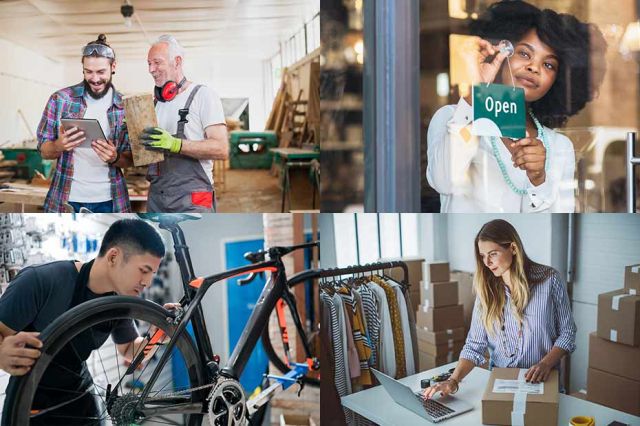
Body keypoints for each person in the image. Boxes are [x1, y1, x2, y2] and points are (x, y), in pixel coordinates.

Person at [426, 1, 607, 213]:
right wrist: (475, 93)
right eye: (524, 53)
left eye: (548, 64)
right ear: (501, 55)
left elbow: (557, 226)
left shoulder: (559, 146)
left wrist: (538, 179)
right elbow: (444, 181)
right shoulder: (453, 118)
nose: (533, 67)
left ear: (558, 80)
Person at [0, 219, 175, 425]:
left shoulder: (118, 302)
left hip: (81, 401)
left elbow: (129, 350)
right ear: (113, 257)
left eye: (152, 274)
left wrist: (157, 336)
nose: (147, 282)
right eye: (144, 270)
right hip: (28, 405)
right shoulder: (41, 281)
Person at [423, 219, 576, 399]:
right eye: (482, 256)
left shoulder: (550, 280)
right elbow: (474, 346)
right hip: (501, 385)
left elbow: (568, 333)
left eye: (493, 254)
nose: (487, 262)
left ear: (512, 248)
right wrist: (453, 381)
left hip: (542, 383)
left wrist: (545, 364)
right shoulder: (486, 291)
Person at [37, 34, 134, 213]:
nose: (95, 79)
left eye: (101, 72)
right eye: (89, 72)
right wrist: (59, 145)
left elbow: (131, 159)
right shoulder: (60, 99)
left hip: (110, 200)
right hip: (66, 198)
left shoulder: (125, 105)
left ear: (113, 67)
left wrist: (114, 157)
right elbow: (44, 151)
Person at [142, 34, 229, 212]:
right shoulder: (156, 104)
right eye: (149, 64)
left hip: (195, 198)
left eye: (157, 62)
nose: (151, 69)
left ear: (177, 61)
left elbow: (221, 148)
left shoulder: (203, 96)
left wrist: (175, 144)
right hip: (158, 197)